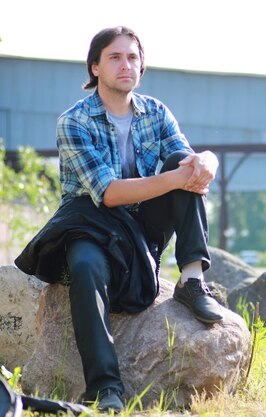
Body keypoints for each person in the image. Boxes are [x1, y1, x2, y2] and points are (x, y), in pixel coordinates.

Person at [14, 26, 223, 413]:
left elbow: (188, 160)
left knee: (182, 162)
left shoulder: (156, 111)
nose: (125, 64)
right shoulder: (74, 121)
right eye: (114, 57)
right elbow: (108, 192)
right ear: (95, 67)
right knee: (85, 266)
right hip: (90, 223)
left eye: (132, 57)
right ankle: (105, 387)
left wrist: (207, 161)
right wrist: (180, 177)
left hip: (142, 226)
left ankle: (193, 280)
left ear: (141, 66)